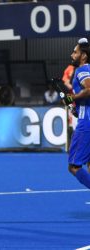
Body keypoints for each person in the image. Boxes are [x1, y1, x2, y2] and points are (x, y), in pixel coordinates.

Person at [66, 38, 90, 191]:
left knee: (73, 166)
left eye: (75, 52)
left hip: (86, 124)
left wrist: (72, 98)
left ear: (83, 56)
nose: (71, 55)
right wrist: (76, 107)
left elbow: (89, 89)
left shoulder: (82, 71)